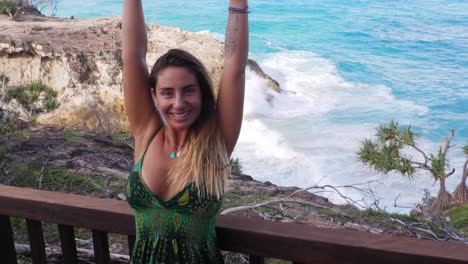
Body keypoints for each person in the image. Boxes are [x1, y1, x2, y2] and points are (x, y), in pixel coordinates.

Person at [122, 0, 248, 263]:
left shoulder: (216, 142)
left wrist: (238, 5)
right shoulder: (146, 134)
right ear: (154, 96)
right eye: (168, 93)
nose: (179, 103)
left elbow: (234, 68)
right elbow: (133, 57)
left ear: (202, 94)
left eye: (189, 90)